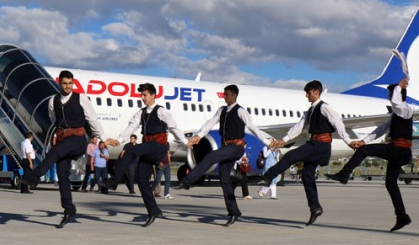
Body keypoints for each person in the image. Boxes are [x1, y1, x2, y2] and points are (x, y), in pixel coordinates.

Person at [173, 84, 274, 226]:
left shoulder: (240, 111)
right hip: (226, 147)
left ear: (234, 95)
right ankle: (234, 212)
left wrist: (266, 141)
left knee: (211, 156)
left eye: (226, 94)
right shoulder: (222, 110)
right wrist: (199, 136)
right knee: (225, 182)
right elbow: (210, 123)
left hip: (236, 147)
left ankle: (187, 181)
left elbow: (252, 127)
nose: (224, 96)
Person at [21, 70, 108, 228]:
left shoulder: (81, 98)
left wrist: (101, 137)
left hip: (78, 139)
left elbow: (92, 118)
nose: (68, 86)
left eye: (70, 83)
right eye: (64, 83)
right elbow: (54, 119)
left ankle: (35, 176)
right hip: (63, 139)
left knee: (55, 151)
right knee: (62, 175)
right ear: (59, 83)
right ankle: (69, 209)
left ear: (73, 83)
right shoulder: (52, 101)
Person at [326, 78, 413, 232]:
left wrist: (399, 86)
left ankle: (344, 175)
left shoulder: (406, 110)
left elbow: (396, 101)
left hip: (398, 150)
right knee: (390, 184)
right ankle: (402, 217)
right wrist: (363, 141)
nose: (388, 98)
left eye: (390, 94)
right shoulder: (395, 115)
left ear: (399, 96)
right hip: (398, 152)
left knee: (364, 152)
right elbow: (379, 130)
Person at [262, 80, 352, 226]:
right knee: (306, 177)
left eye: (308, 92)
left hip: (320, 145)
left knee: (291, 156)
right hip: (314, 144)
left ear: (316, 92)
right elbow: (298, 127)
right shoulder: (309, 111)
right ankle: (315, 208)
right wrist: (283, 140)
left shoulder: (324, 108)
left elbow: (338, 123)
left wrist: (348, 141)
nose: (306, 95)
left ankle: (268, 176)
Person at [102, 83, 189, 227]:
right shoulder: (141, 113)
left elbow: (173, 127)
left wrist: (186, 141)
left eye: (145, 95)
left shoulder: (161, 111)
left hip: (158, 146)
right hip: (148, 148)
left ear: (153, 96)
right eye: (141, 95)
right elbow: (131, 126)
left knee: (131, 150)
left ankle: (114, 180)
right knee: (142, 181)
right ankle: (153, 211)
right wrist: (120, 140)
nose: (142, 98)